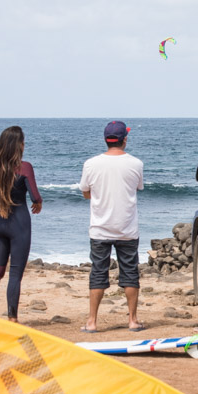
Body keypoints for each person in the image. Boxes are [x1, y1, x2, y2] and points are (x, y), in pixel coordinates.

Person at [79, 121, 144, 332]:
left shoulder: (91, 164)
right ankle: (132, 320)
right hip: (127, 228)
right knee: (130, 273)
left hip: (100, 228)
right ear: (124, 139)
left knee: (98, 272)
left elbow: (85, 192)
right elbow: (136, 188)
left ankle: (92, 322)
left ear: (106, 139)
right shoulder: (136, 164)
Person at [0, 126, 42, 322]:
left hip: (0, 224)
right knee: (15, 275)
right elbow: (35, 195)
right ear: (19, 145)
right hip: (19, 224)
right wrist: (39, 202)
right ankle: (12, 319)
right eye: (23, 142)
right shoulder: (25, 167)